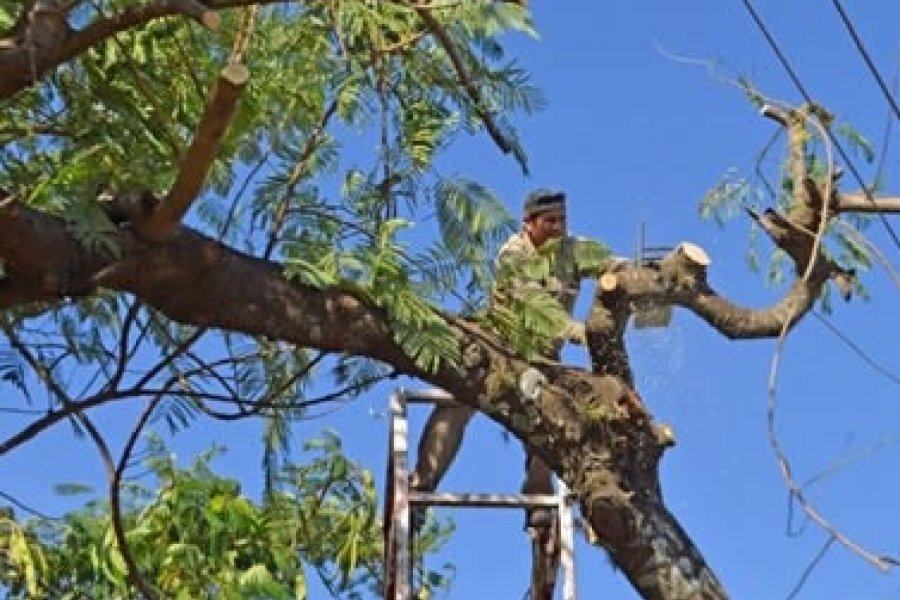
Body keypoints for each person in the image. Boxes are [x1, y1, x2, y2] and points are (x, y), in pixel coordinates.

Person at [410, 190, 614, 592]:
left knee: (551, 415)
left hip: (543, 363)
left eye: (562, 220)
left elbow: (610, 264)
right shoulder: (512, 255)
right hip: (500, 349)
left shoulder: (574, 250)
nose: (558, 228)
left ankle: (539, 506)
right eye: (549, 221)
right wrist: (578, 332)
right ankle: (422, 486)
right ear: (530, 224)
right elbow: (533, 306)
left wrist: (639, 276)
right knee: (454, 406)